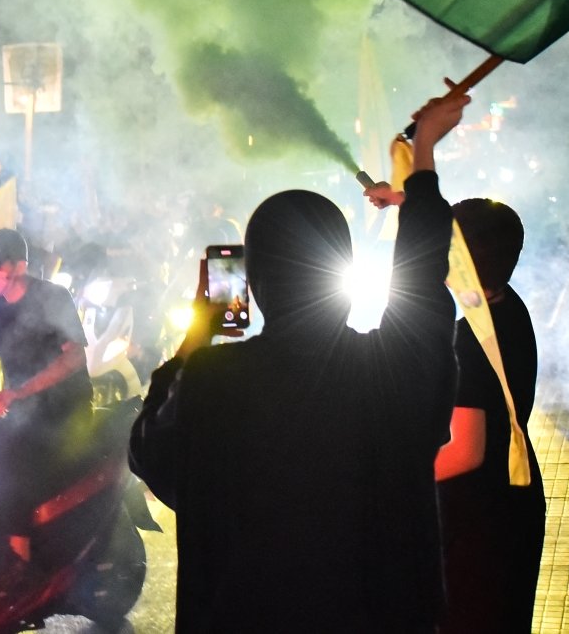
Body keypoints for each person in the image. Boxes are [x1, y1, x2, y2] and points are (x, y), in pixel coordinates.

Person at [130, 90, 467, 634]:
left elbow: (149, 452)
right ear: (344, 272)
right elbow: (422, 274)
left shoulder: (212, 383)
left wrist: (200, 331)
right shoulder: (392, 370)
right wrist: (422, 152)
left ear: (256, 283)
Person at [0, 228, 93, 567]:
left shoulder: (53, 298)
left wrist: (18, 392)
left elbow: (75, 358)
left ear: (18, 266)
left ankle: (17, 578)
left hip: (63, 413)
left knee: (8, 484)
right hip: (20, 414)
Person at [435, 198, 544, 634]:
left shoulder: (472, 340)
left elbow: (464, 450)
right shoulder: (508, 308)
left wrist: (392, 475)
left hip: (482, 520)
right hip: (514, 498)